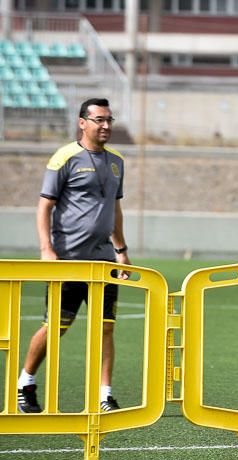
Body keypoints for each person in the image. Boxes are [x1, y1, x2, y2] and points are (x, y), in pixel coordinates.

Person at [17, 98, 131, 414]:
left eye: (109, 119)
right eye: (99, 120)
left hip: (104, 262)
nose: (106, 125)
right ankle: (25, 383)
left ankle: (104, 395)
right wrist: (46, 250)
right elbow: (45, 206)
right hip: (68, 260)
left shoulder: (117, 161)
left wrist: (121, 250)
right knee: (57, 325)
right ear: (83, 122)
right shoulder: (64, 158)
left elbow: (115, 208)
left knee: (106, 327)